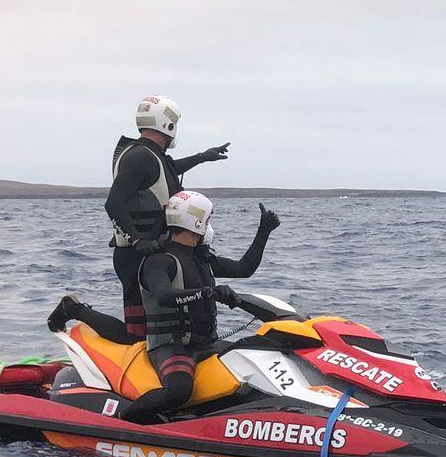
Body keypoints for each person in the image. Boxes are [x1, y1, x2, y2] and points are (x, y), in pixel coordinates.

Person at [50, 192, 281, 417]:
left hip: (206, 343)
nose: (210, 225)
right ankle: (125, 420)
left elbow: (244, 269)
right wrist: (207, 292)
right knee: (178, 391)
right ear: (197, 221)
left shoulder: (202, 259)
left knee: (256, 353)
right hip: (170, 346)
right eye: (208, 219)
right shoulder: (159, 260)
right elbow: (164, 296)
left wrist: (264, 231)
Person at [105, 95, 230, 338]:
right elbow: (114, 203)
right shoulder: (139, 157)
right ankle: (75, 310)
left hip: (152, 251)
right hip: (138, 255)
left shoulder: (149, 155)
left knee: (163, 324)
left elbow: (168, 170)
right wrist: (137, 241)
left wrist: (203, 156)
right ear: (168, 125)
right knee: (139, 333)